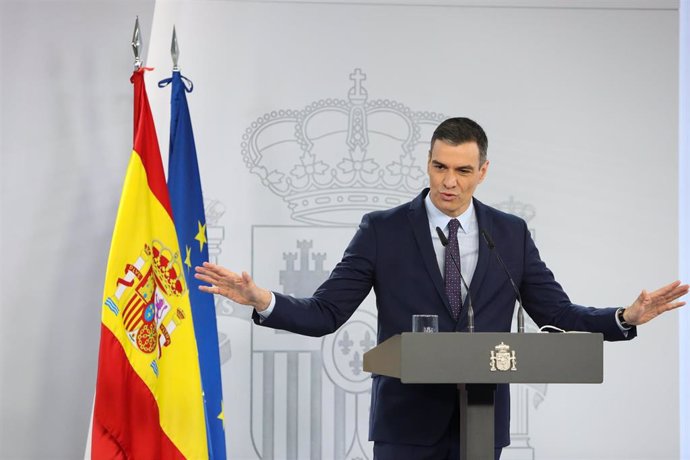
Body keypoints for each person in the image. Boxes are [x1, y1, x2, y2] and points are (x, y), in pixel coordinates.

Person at [195, 117, 688, 460]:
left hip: (481, 423)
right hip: (405, 424)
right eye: (439, 167)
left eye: (463, 171)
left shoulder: (509, 234)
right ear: (428, 162)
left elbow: (554, 313)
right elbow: (327, 312)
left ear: (483, 172)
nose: (448, 182)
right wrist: (263, 300)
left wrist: (623, 318)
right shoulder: (383, 230)